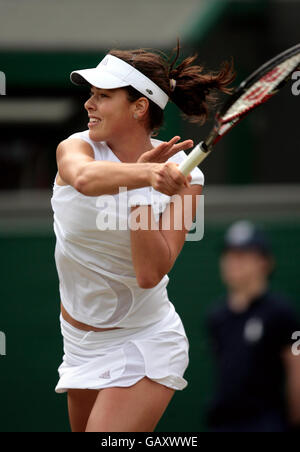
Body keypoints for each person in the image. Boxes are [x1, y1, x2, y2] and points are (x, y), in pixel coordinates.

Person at [51, 43, 234, 432]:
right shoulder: (76, 147)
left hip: (144, 339)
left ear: (138, 107)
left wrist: (143, 196)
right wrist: (145, 177)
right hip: (78, 343)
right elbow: (84, 179)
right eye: (91, 95)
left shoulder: (187, 178)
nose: (89, 104)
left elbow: (150, 272)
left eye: (103, 96)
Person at [205, 220, 300, 432]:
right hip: (223, 424)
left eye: (243, 255)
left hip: (265, 423)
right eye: (229, 255)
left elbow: (296, 367)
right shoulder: (217, 316)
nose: (233, 263)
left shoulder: (282, 313)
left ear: (264, 262)